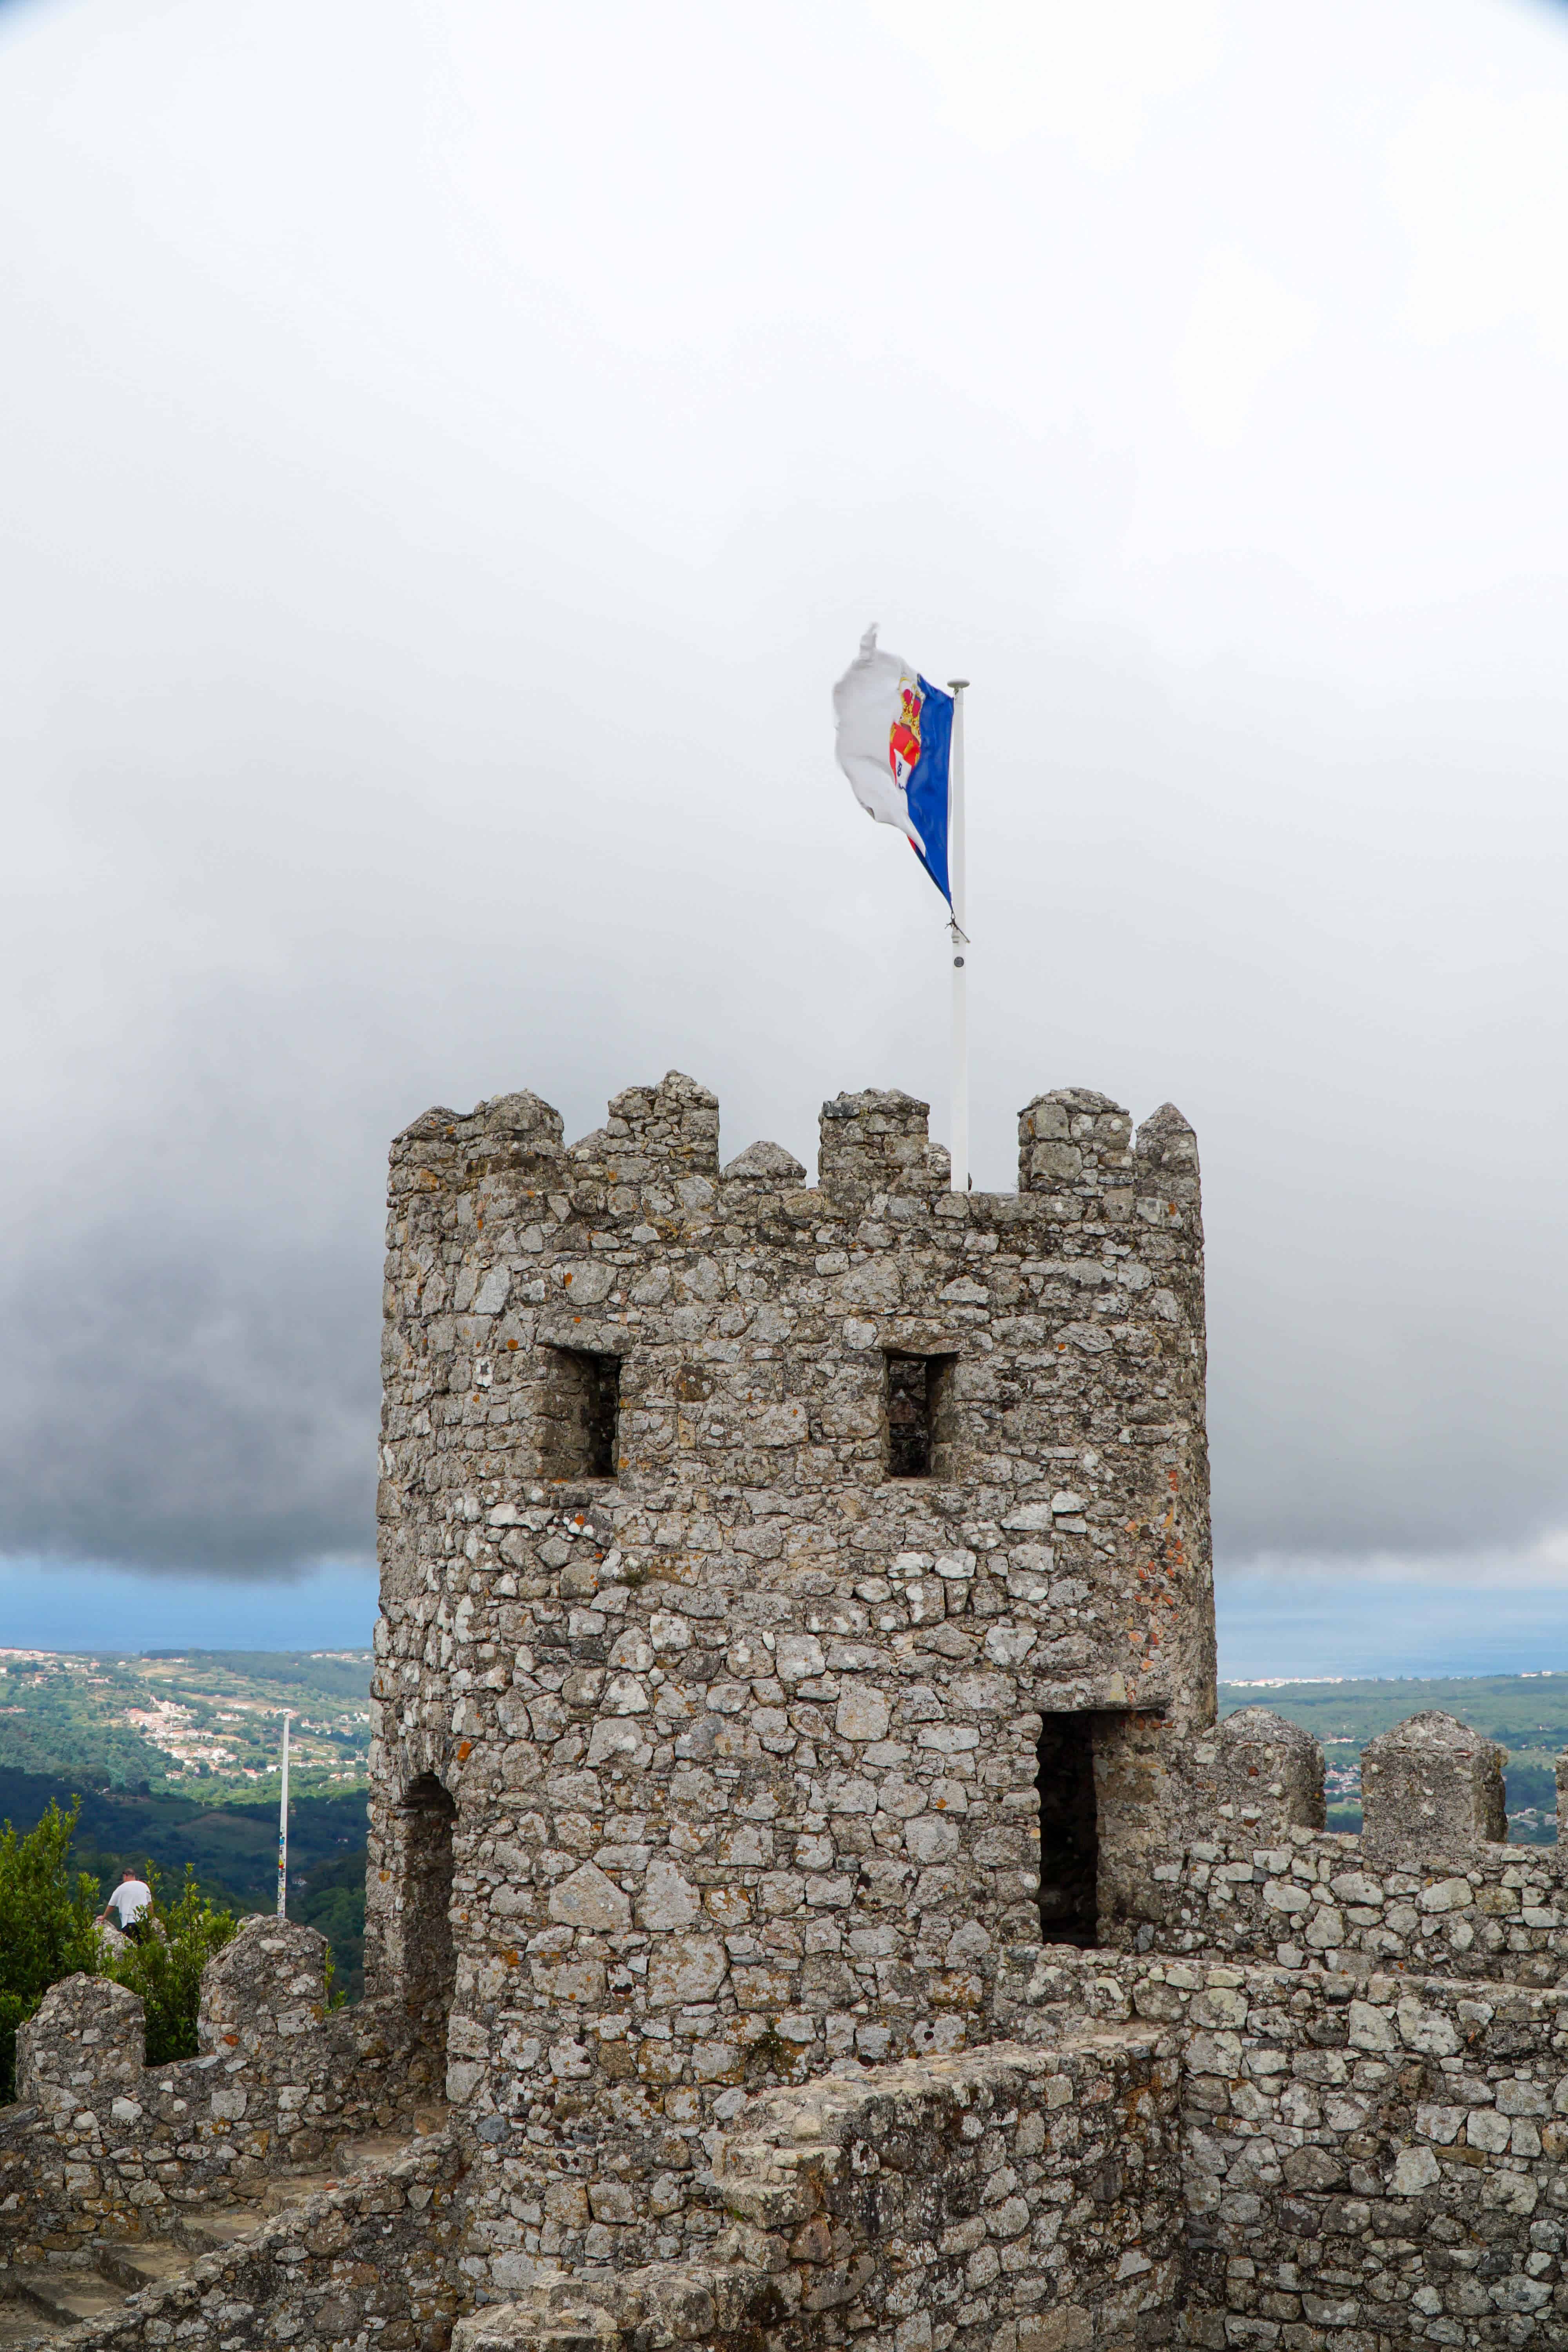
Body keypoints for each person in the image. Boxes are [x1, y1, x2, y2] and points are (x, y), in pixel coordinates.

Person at [97, 1867, 153, 1943]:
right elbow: (150, 1904)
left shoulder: (121, 1888)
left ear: (125, 1876)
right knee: (144, 1948)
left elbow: (111, 1905)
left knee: (131, 1949)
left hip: (129, 1924)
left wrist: (104, 1917)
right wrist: (151, 1919)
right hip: (143, 1922)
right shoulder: (144, 1886)